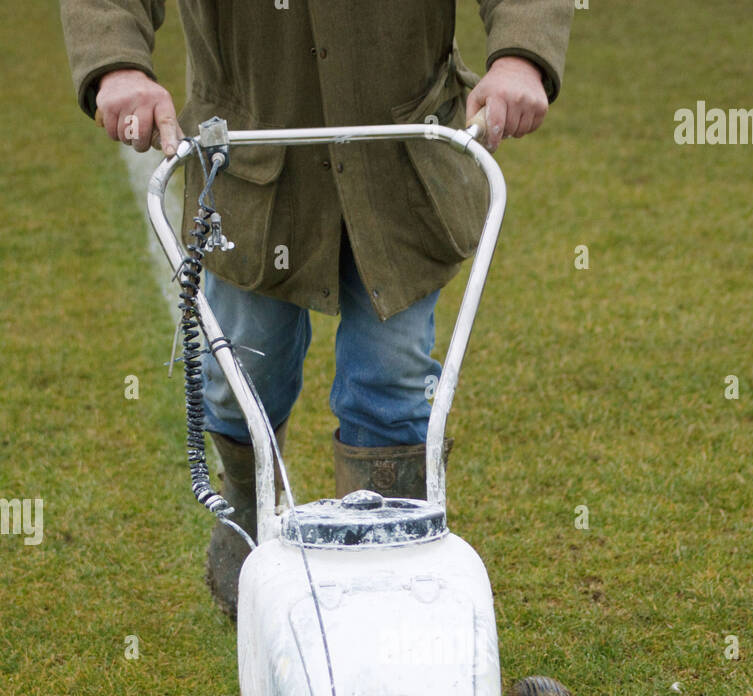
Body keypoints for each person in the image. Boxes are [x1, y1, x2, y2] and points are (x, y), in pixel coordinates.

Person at [61, 1, 573, 616]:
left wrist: (522, 52)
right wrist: (117, 65)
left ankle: (384, 571)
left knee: (390, 382)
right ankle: (249, 516)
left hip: (402, 160)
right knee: (245, 381)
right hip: (251, 167)